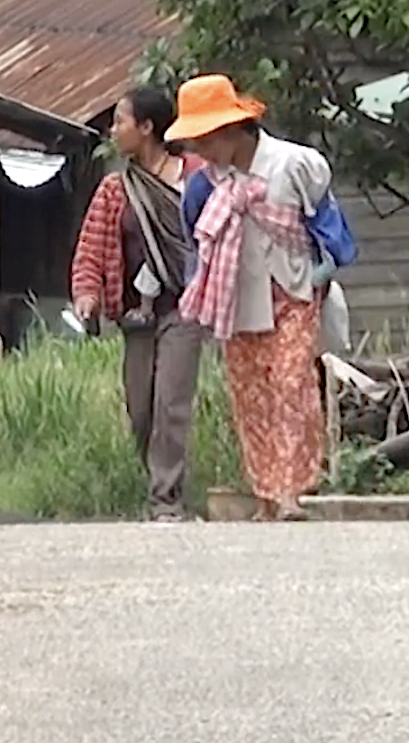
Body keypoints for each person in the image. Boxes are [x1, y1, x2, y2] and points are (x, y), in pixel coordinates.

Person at [166, 74, 335, 522]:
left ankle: (290, 492)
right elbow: (196, 243)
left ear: (231, 130)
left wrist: (323, 273)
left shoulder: (294, 164)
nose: (201, 150)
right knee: (251, 395)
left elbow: (328, 224)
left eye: (206, 139)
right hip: (236, 300)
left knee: (291, 384)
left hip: (292, 290)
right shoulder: (204, 185)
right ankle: (265, 493)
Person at [70, 86, 206, 523]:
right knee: (142, 409)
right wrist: (87, 294)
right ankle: (158, 482)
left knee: (171, 403)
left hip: (184, 306)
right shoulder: (116, 189)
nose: (113, 131)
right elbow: (91, 249)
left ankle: (166, 499)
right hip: (135, 314)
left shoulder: (194, 178)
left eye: (120, 122)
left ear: (147, 127)